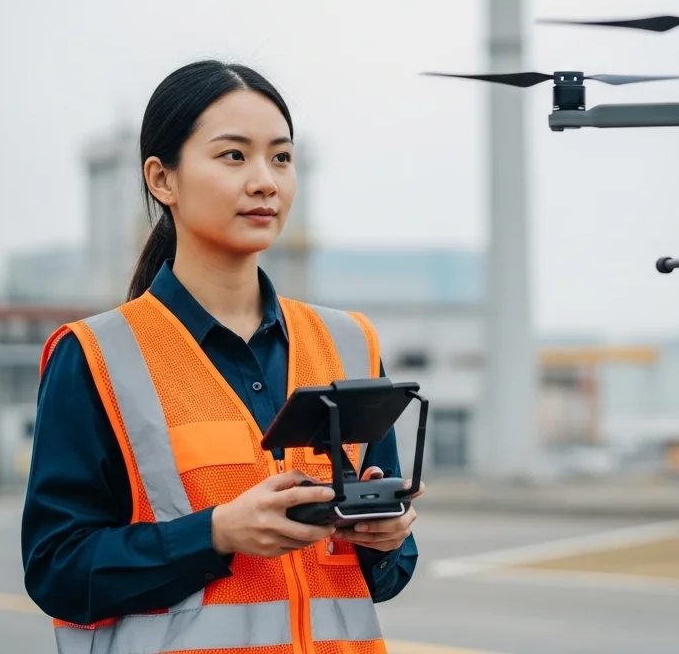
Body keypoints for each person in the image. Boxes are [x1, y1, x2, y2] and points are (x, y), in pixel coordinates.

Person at [21, 60, 421, 654]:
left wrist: (384, 540)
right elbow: (57, 569)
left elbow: (383, 577)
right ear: (163, 179)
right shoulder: (96, 356)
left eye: (281, 157)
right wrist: (215, 535)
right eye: (234, 155)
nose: (265, 182)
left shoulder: (349, 344)